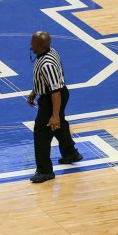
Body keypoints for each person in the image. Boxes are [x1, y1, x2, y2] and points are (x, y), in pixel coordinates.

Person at [27, 31, 83, 183]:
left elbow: (55, 92)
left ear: (39, 45)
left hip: (53, 98)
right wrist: (35, 91)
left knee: (41, 132)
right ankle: (70, 153)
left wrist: (54, 115)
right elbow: (49, 82)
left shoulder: (47, 64)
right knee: (59, 125)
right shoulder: (51, 51)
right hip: (53, 94)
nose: (30, 45)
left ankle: (45, 171)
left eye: (32, 42)